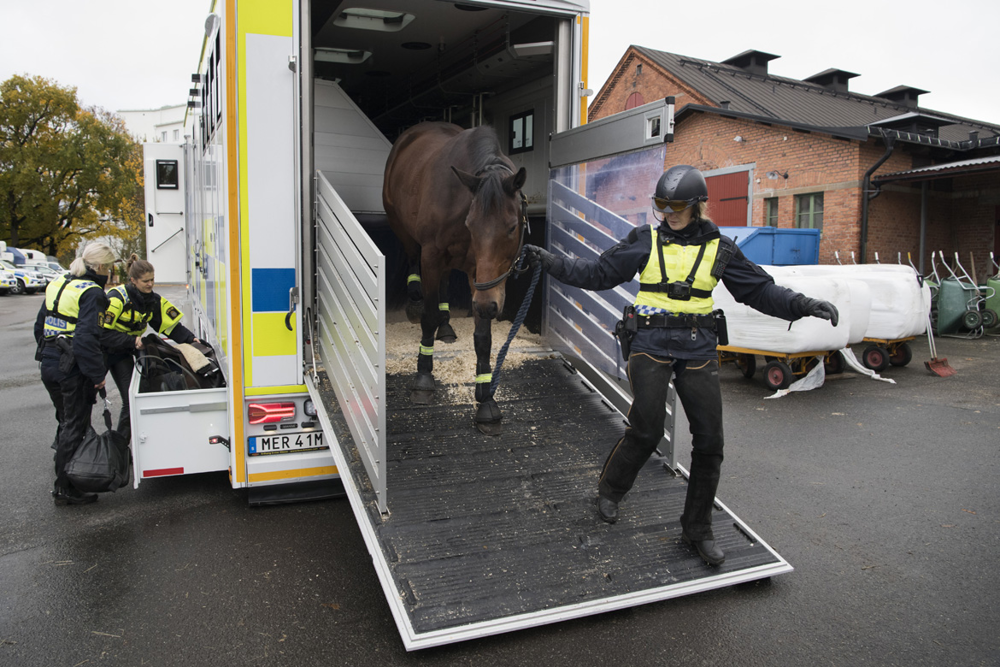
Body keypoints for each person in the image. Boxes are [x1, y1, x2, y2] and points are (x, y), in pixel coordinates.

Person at [525, 165, 839, 566]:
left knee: (711, 443)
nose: (668, 213)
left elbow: (759, 290)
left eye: (676, 206)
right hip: (649, 344)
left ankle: (698, 530)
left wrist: (804, 305)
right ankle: (610, 490)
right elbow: (598, 273)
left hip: (698, 348)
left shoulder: (721, 248)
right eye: (661, 205)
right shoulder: (645, 240)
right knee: (647, 428)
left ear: (696, 206)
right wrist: (548, 261)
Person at [34, 242, 117, 506]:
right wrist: (97, 376)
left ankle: (64, 473)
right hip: (72, 370)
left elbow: (41, 325)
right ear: (102, 267)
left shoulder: (60, 283)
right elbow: (86, 339)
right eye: (111, 267)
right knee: (75, 425)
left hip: (50, 362)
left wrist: (48, 353)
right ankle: (65, 487)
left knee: (65, 419)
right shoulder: (93, 293)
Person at [100, 254, 198, 441]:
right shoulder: (116, 298)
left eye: (152, 280)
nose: (150, 284)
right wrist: (131, 341)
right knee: (85, 399)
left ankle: (121, 445)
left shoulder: (153, 300)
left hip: (125, 353)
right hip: (106, 351)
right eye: (145, 281)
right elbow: (102, 333)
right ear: (133, 281)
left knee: (131, 400)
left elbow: (171, 327)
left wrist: (192, 340)